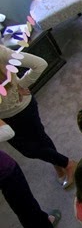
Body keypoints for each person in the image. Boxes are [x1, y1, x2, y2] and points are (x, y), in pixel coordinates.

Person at [0, 45, 76, 188]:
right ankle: (62, 163)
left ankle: (65, 164)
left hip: (23, 109)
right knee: (27, 150)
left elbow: (39, 64)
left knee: (39, 139)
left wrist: (21, 85)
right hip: (3, 119)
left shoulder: (2, 53)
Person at [0, 121, 61, 228]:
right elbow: (8, 132)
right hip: (4, 170)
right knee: (22, 197)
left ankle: (29, 223)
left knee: (13, 198)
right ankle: (44, 226)